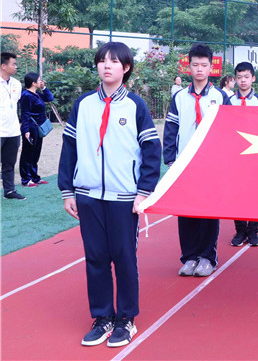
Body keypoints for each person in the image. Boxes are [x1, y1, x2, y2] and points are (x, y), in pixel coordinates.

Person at [58, 42, 162, 347]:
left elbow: (151, 151)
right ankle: (102, 316)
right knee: (95, 258)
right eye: (102, 61)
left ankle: (126, 318)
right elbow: (70, 149)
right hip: (88, 196)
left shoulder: (136, 106)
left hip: (123, 198)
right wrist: (68, 191)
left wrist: (143, 192)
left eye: (114, 62)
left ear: (125, 68)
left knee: (124, 258)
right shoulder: (84, 104)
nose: (106, 66)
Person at [164, 44, 231, 277]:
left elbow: (229, 129)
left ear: (211, 67)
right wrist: (170, 159)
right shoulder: (179, 97)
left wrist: (225, 161)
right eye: (195, 65)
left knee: (208, 211)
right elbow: (171, 128)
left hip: (211, 164)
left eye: (204, 65)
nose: (199, 69)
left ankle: (207, 257)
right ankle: (189, 257)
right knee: (186, 211)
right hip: (184, 163)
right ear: (188, 66)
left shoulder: (220, 96)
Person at [227, 62, 258, 247]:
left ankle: (253, 231)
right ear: (235, 80)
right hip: (235, 155)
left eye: (246, 77)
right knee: (237, 193)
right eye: (239, 77)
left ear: (253, 78)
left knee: (256, 193)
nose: (243, 81)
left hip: (256, 154)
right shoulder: (229, 101)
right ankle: (240, 230)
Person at [18, 73, 54, 187]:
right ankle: (26, 179)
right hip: (31, 127)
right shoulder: (26, 95)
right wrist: (26, 130)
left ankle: (35, 177)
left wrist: (44, 88)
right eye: (39, 80)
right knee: (27, 153)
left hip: (39, 127)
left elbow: (49, 98)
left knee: (36, 153)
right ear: (33, 83)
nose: (41, 81)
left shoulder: (37, 94)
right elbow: (25, 113)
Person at [1, 52, 25, 200]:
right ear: (3, 66)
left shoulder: (17, 83)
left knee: (9, 163)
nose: (16, 66)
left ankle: (9, 191)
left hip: (13, 131)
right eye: (13, 64)